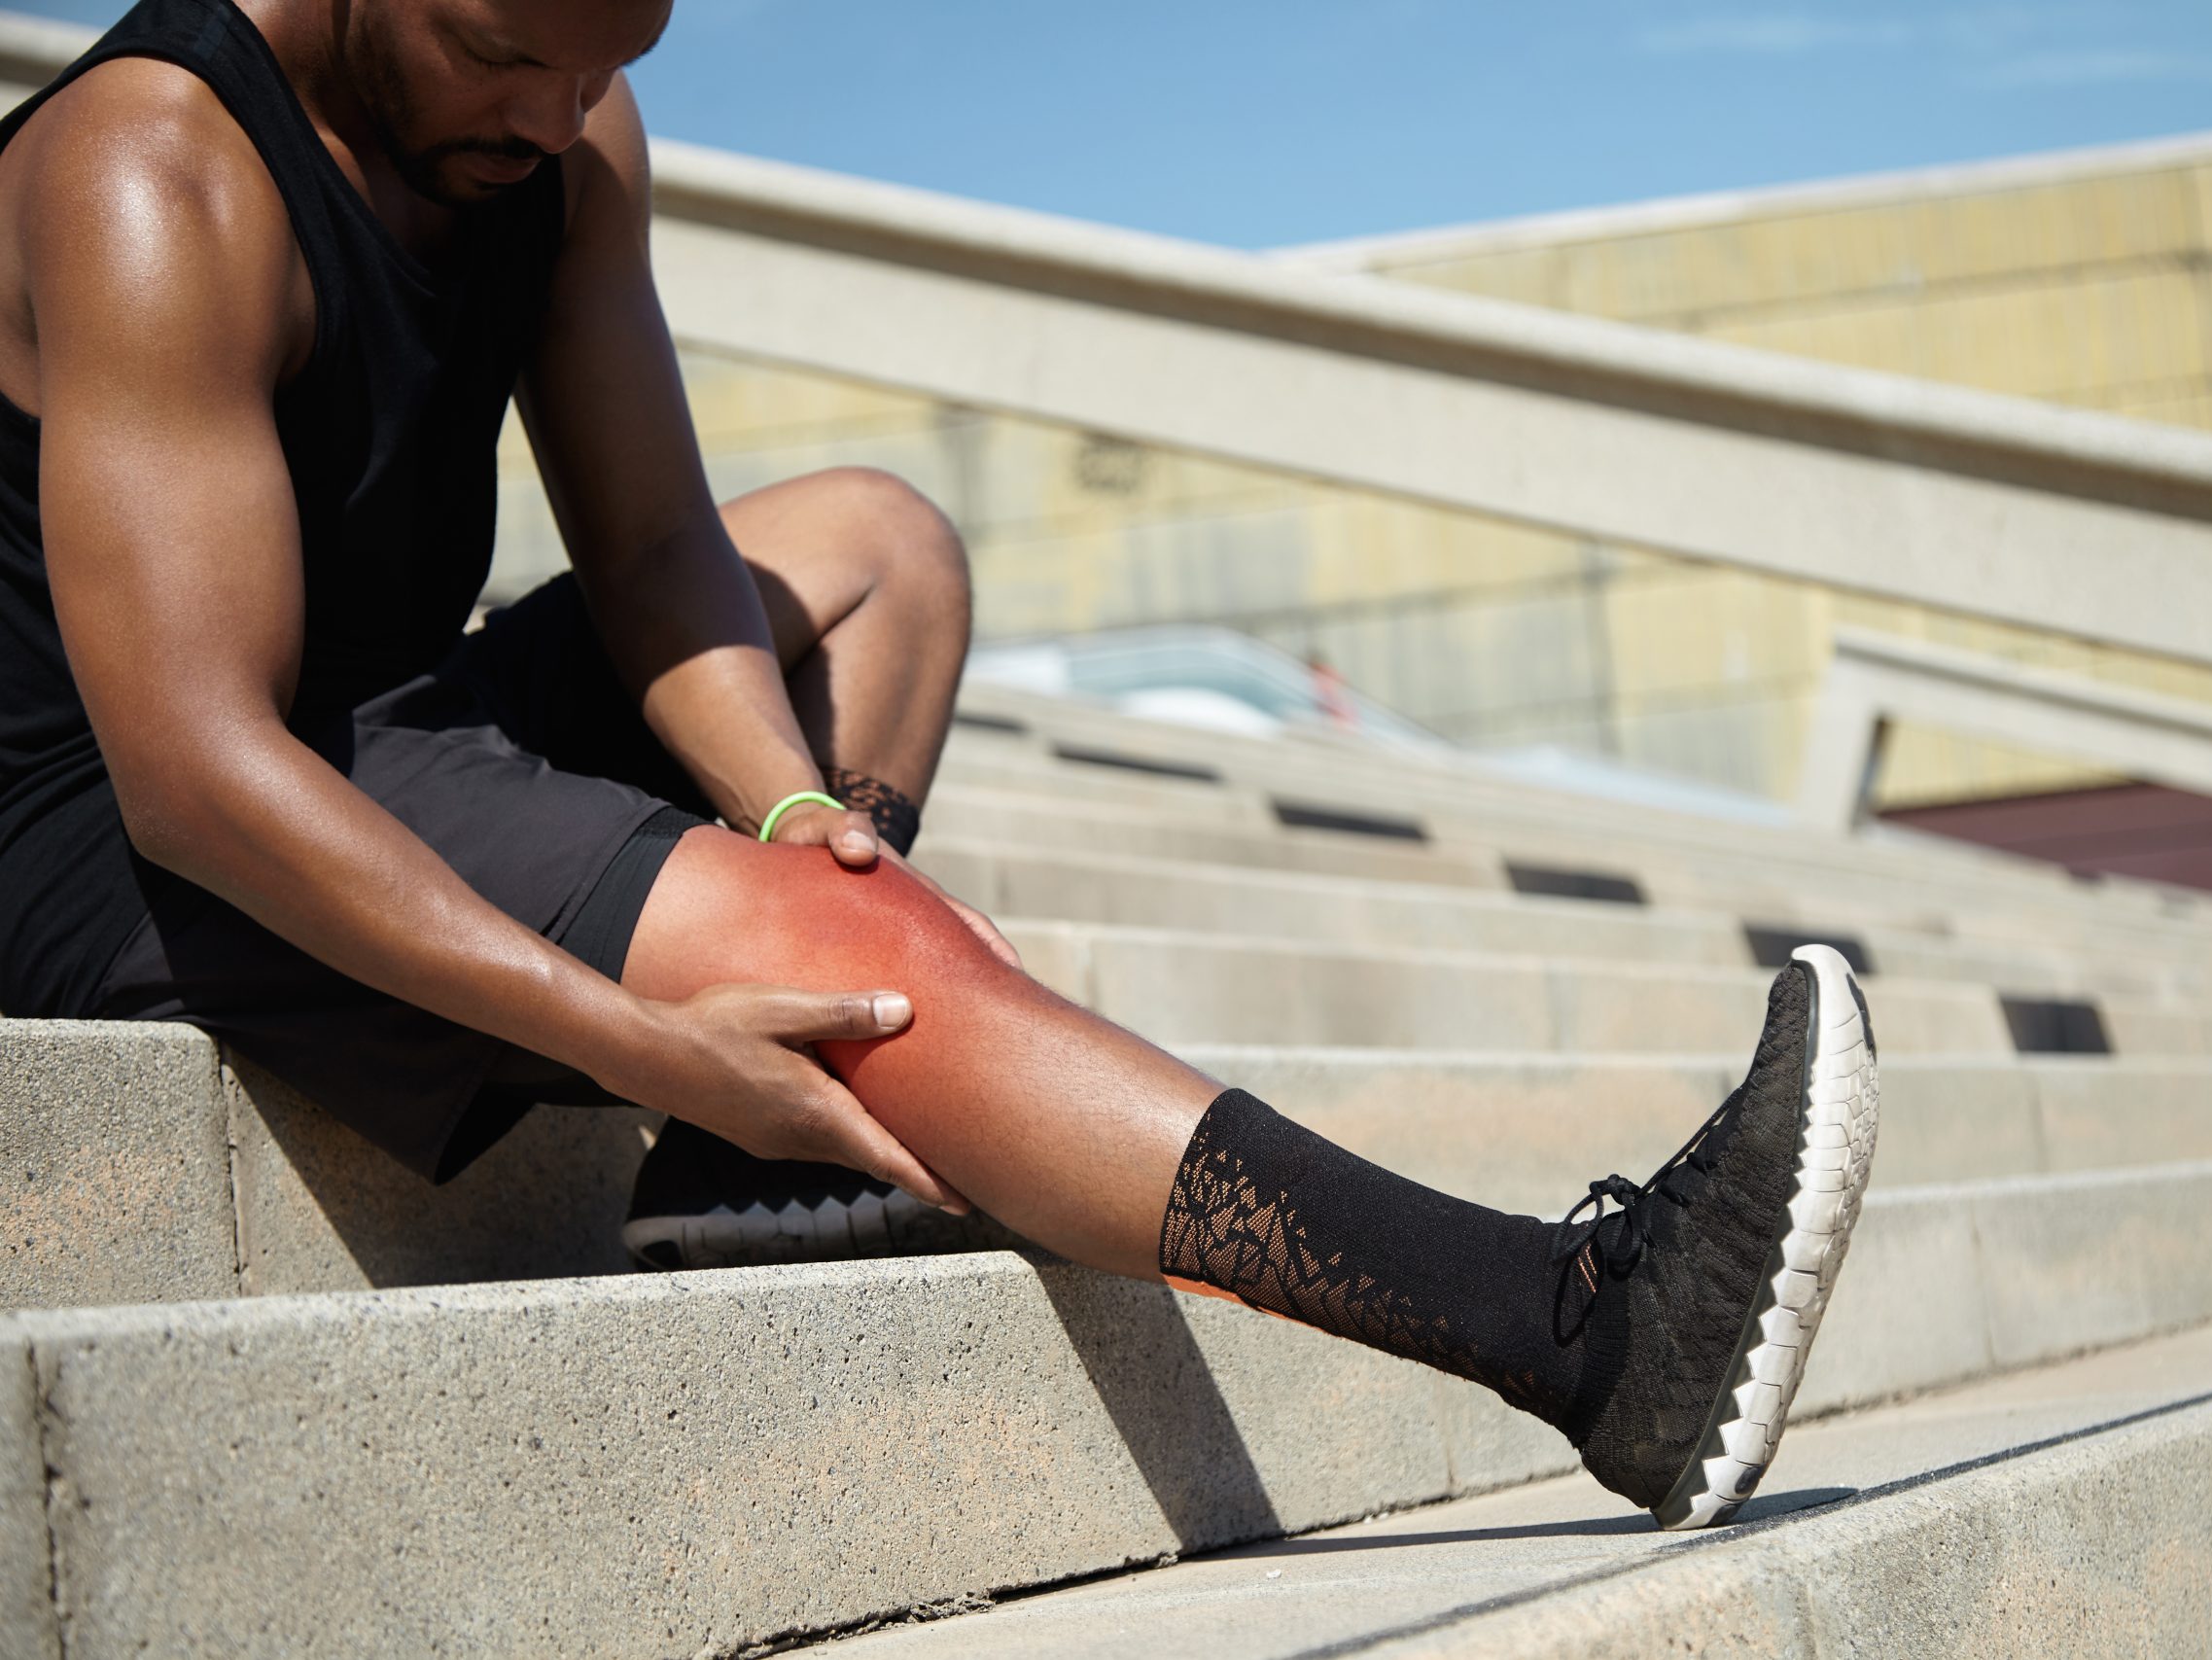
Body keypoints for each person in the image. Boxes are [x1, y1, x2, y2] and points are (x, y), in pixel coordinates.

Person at [0, 0, 1879, 1530]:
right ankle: (1584, 1340)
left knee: (886, 544)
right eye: (510, 56)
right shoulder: (151, 170)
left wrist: (811, 826)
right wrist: (638, 1037)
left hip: (397, 709)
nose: (560, 113)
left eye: (611, 62)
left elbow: (661, 553)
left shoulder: (569, 132)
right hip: (129, 813)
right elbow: (199, 769)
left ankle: (759, 1160)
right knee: (908, 981)